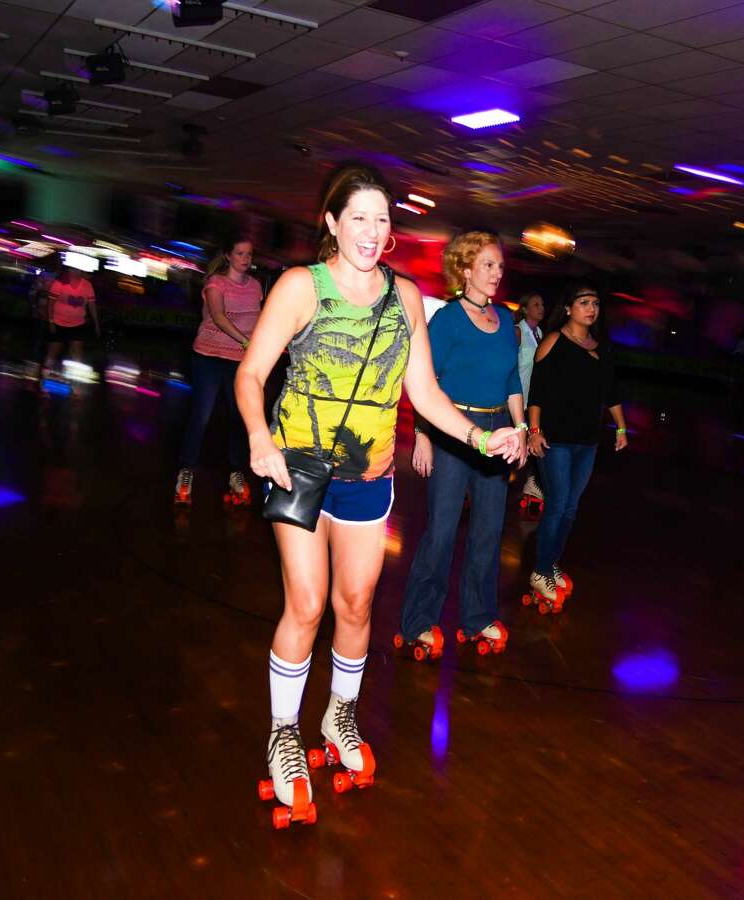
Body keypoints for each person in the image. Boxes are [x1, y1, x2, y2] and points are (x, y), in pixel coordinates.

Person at [235, 164, 519, 828]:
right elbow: (251, 373)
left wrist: (482, 439)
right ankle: (283, 735)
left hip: (369, 477)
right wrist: (257, 435)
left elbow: (423, 393)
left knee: (357, 603)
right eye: (357, 217)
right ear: (332, 223)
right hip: (298, 468)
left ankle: (339, 718)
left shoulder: (408, 298)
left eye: (382, 220)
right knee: (306, 604)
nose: (371, 231)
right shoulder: (301, 287)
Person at [397, 232, 527, 660]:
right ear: (466, 269)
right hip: (454, 430)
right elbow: (425, 382)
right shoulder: (447, 320)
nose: (497, 274)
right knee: (443, 529)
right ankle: (418, 621)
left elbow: (512, 381)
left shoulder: (506, 321)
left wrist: (521, 428)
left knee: (489, 532)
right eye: (488, 265)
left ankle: (477, 617)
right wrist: (423, 435)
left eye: (500, 267)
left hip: (497, 429)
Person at [527, 283, 628, 611]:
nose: (591, 308)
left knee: (571, 508)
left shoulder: (601, 348)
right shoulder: (554, 341)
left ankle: (552, 560)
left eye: (596, 303)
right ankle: (540, 571)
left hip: (587, 441)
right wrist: (534, 431)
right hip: (555, 440)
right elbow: (537, 392)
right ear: (569, 308)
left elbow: (610, 393)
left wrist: (622, 427)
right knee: (557, 505)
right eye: (584, 302)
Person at [174, 236, 262, 507]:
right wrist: (248, 342)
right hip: (208, 358)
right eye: (240, 253)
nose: (245, 259)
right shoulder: (216, 284)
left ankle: (236, 474)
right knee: (202, 414)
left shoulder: (256, 286)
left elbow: (260, 319)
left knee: (239, 417)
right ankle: (185, 472)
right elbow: (219, 318)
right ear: (228, 255)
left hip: (240, 362)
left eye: (249, 254)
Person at [43, 262, 100, 376]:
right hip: (58, 323)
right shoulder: (60, 283)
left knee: (77, 356)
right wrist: (51, 322)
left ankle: (75, 384)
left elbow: (91, 305)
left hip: (77, 324)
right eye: (72, 269)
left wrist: (96, 323)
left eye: (78, 270)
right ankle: (45, 379)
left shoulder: (87, 285)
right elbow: (50, 304)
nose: (75, 271)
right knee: (53, 352)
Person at [516, 292, 546, 509]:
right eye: (536, 304)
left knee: (535, 440)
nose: (541, 307)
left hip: (533, 400)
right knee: (512, 444)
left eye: (542, 304)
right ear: (525, 309)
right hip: (516, 399)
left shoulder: (541, 334)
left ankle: (532, 483)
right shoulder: (518, 332)